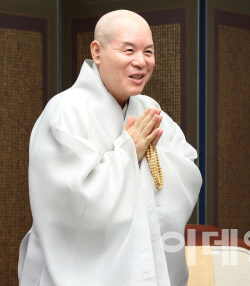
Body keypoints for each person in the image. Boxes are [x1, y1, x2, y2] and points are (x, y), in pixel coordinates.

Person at [18, 10, 202, 286]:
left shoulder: (149, 110)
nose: (140, 62)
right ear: (97, 51)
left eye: (148, 52)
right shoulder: (66, 110)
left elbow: (185, 173)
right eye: (129, 50)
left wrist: (139, 155)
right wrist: (129, 152)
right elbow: (68, 202)